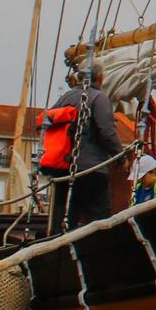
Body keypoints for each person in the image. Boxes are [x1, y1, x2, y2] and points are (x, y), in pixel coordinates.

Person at [42, 57, 122, 231]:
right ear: (100, 78)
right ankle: (98, 251)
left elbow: (46, 125)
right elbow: (107, 132)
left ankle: (59, 251)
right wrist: (121, 158)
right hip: (91, 170)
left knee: (63, 217)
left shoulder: (64, 98)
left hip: (62, 168)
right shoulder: (98, 98)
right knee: (98, 219)